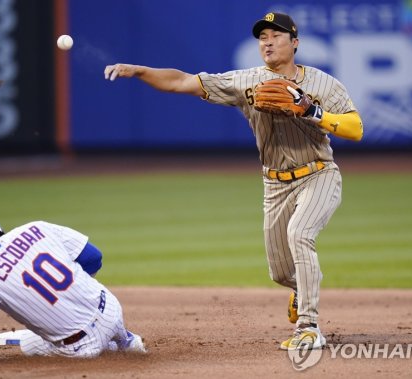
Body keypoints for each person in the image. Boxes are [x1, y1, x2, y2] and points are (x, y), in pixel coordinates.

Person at [103, 12, 363, 350]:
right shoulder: (245, 81)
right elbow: (183, 81)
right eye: (262, 36)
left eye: (276, 35)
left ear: (295, 43)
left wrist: (313, 111)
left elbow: (355, 128)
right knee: (280, 273)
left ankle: (309, 328)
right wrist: (139, 71)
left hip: (319, 174)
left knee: (300, 234)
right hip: (275, 184)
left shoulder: (323, 84)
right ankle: (300, 290)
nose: (267, 41)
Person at [0, 217, 146, 360]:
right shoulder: (35, 227)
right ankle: (124, 338)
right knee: (93, 309)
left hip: (81, 347)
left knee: (28, 344)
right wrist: (72, 295)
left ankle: (110, 344)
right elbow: (93, 258)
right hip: (112, 309)